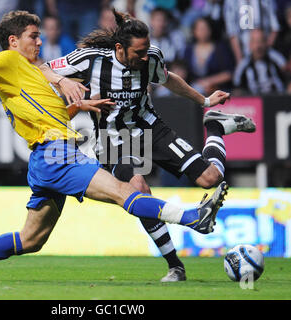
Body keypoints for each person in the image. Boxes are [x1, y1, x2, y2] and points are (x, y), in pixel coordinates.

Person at [0, 10, 228, 281]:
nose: (39, 42)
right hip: (56, 154)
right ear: (13, 41)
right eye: (33, 36)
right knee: (125, 191)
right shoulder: (7, 61)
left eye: (38, 37)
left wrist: (83, 106)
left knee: (30, 240)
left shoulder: (36, 75)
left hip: (47, 158)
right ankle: (191, 217)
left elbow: (53, 114)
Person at [40, 8, 255, 282]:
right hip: (115, 139)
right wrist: (63, 82)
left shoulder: (151, 57)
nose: (145, 57)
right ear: (120, 47)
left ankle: (215, 126)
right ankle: (175, 266)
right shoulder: (90, 60)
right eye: (138, 53)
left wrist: (204, 102)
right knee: (137, 188)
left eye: (146, 51)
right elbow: (43, 68)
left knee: (210, 178)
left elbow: (168, 78)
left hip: (150, 127)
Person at [183, 17, 234, 96]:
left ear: (211, 30)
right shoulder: (189, 50)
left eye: (205, 28)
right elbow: (185, 72)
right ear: (194, 31)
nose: (203, 32)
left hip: (217, 89)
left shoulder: (220, 48)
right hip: (193, 89)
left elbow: (228, 74)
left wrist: (209, 82)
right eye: (199, 29)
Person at [233, 28, 287, 95]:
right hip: (253, 102)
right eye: (255, 42)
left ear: (266, 43)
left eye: (261, 41)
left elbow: (287, 73)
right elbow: (237, 88)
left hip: (279, 99)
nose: (258, 46)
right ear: (250, 45)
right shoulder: (243, 65)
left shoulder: (277, 58)